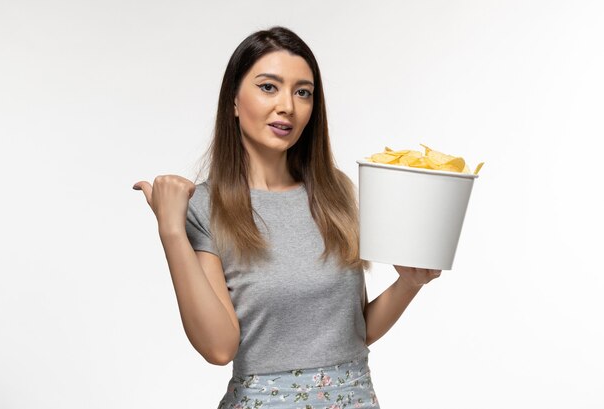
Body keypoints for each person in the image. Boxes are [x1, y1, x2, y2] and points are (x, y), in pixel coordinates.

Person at [133, 26, 441, 409]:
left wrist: (409, 283)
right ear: (233, 99)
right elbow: (218, 347)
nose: (288, 106)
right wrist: (171, 231)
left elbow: (353, 332)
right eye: (268, 87)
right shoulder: (205, 207)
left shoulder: (334, 193)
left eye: (303, 92)